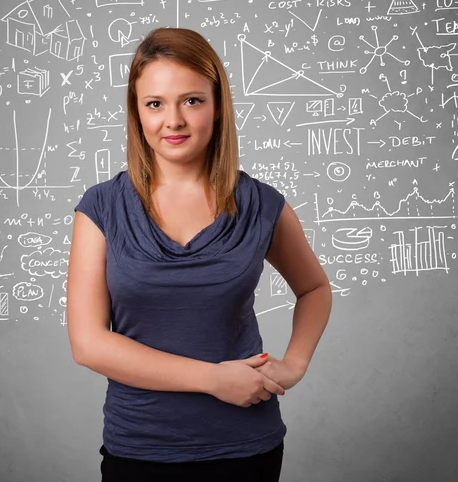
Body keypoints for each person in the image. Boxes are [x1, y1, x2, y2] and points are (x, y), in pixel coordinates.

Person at [66, 27, 332, 482]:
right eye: (155, 104)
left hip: (246, 449)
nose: (173, 120)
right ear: (137, 112)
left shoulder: (262, 204)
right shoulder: (101, 207)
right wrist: (213, 379)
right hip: (140, 450)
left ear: (217, 106)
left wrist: (294, 365)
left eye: (191, 100)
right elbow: (88, 344)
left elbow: (314, 288)